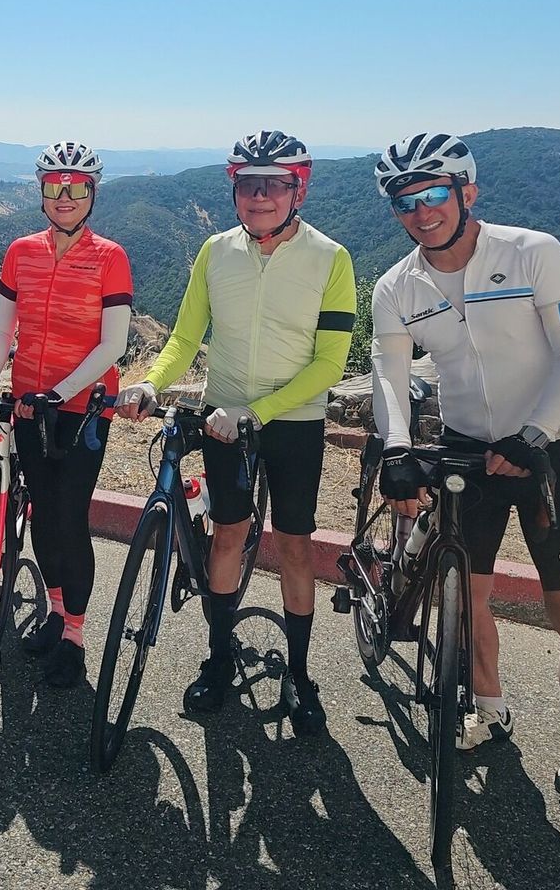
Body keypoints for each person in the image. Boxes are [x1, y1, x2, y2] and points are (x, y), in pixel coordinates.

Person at [370, 132, 560, 844]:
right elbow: (388, 374)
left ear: (466, 192)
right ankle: (488, 706)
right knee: (466, 601)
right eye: (405, 202)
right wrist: (395, 449)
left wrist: (534, 436)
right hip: (465, 450)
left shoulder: (534, 253)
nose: (422, 212)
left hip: (544, 453)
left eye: (434, 194)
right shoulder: (396, 287)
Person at [117, 130, 355, 732]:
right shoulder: (215, 251)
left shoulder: (331, 258)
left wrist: (259, 411)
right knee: (228, 536)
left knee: (295, 545)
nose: (260, 196)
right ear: (235, 191)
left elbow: (330, 364)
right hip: (222, 415)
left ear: (298, 191)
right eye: (249, 185)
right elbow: (184, 337)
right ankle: (219, 658)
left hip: (293, 420)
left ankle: (300, 674)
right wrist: (151, 383)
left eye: (274, 184)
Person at [0, 141, 133, 687]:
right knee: (40, 513)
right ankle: (57, 613)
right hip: (28, 403)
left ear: (92, 193)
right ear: (40, 191)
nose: (65, 196)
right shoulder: (21, 252)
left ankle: (75, 637)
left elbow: (113, 345)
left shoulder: (110, 257)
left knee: (69, 516)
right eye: (54, 186)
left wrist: (61, 393)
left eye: (77, 186)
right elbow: (2, 326)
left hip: (83, 409)